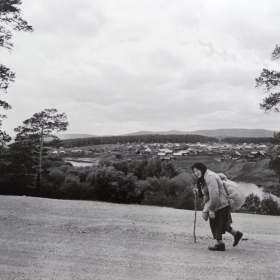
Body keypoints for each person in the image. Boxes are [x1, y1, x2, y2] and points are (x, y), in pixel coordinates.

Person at [192, 162, 243, 251]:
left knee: (215, 224)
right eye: (194, 171)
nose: (196, 173)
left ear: (202, 168)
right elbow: (208, 191)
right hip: (222, 204)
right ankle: (236, 234)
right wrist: (198, 191)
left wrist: (212, 209)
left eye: (197, 170)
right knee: (223, 224)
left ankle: (219, 244)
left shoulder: (209, 177)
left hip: (218, 205)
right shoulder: (206, 176)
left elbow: (214, 194)